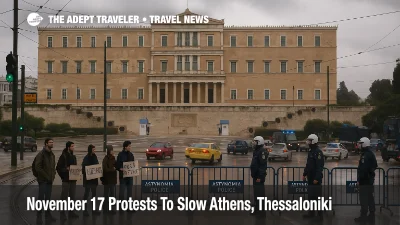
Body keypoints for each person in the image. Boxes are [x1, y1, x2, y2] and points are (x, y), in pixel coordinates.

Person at [355, 137, 378, 223]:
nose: (359, 145)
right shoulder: (369, 153)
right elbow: (375, 165)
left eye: (360, 143)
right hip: (369, 180)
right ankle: (372, 214)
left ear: (364, 144)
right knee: (370, 197)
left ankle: (363, 216)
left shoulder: (366, 155)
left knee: (364, 199)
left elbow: (363, 170)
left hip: (365, 181)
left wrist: (359, 180)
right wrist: (371, 173)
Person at [34, 138, 57, 224]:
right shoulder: (41, 154)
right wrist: (46, 176)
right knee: (41, 198)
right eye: (50, 142)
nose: (52, 143)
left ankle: (48, 215)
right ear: (46, 144)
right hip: (43, 180)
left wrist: (53, 175)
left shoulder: (52, 154)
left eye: (52, 142)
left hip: (49, 180)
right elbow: (38, 167)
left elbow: (53, 167)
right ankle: (39, 215)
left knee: (48, 198)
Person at [302, 134, 324, 220]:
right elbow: (308, 165)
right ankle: (311, 213)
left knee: (317, 197)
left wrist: (317, 178)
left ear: (314, 141)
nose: (308, 142)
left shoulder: (318, 152)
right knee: (311, 197)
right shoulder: (311, 152)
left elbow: (319, 167)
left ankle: (319, 215)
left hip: (315, 179)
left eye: (310, 141)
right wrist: (304, 174)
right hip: (310, 178)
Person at [56, 141, 79, 220]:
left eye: (73, 146)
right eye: (72, 146)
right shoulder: (63, 156)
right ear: (68, 147)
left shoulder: (74, 156)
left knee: (72, 196)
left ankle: (71, 212)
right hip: (66, 179)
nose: (73, 148)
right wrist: (65, 172)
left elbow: (75, 167)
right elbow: (58, 168)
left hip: (73, 180)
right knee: (64, 196)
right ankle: (62, 212)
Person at [250, 136, 268, 216]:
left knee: (260, 194)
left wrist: (260, 177)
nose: (254, 143)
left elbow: (262, 165)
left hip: (259, 177)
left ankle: (261, 212)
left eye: (255, 142)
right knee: (256, 194)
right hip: (255, 176)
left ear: (259, 142)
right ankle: (257, 209)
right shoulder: (256, 151)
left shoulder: (262, 151)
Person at [82, 144, 100, 216]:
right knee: (86, 194)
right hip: (88, 180)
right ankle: (85, 210)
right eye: (93, 149)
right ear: (90, 150)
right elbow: (84, 169)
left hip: (94, 179)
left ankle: (94, 209)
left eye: (95, 149)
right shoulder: (86, 158)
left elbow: (97, 166)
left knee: (94, 195)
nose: (95, 151)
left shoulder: (95, 157)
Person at [116, 141, 135, 206]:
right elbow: (117, 165)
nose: (130, 147)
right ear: (125, 147)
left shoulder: (131, 154)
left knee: (129, 192)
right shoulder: (120, 155)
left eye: (130, 146)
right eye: (129, 146)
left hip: (130, 176)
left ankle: (129, 207)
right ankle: (121, 206)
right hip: (123, 177)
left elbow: (133, 164)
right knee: (122, 192)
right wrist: (120, 168)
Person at [102, 145, 117, 214]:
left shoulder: (113, 158)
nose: (113, 151)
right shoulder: (105, 159)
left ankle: (111, 208)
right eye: (112, 150)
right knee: (106, 194)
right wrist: (112, 169)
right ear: (109, 151)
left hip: (112, 179)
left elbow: (115, 166)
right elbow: (105, 169)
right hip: (107, 179)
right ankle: (106, 208)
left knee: (112, 194)